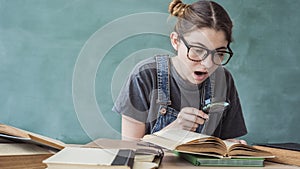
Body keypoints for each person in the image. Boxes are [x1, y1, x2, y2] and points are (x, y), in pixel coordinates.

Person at [113, 0, 247, 144]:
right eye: (198, 50)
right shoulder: (144, 76)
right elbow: (129, 150)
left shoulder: (223, 79)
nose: (208, 64)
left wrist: (234, 147)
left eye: (219, 53)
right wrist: (173, 130)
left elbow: (224, 143)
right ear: (176, 41)